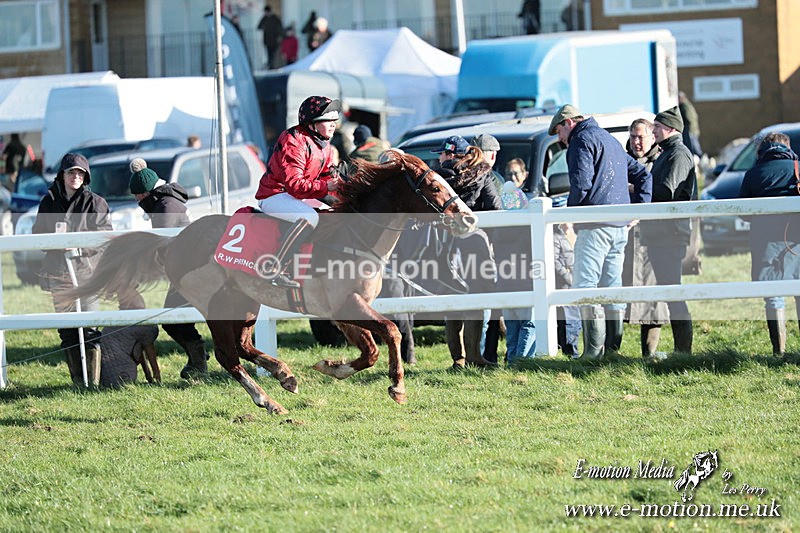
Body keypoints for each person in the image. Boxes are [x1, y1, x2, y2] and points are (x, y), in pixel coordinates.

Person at [548, 104, 651, 362]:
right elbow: (643, 176)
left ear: (569, 123)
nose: (560, 138)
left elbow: (581, 183)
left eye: (559, 130)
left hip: (595, 226)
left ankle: (593, 353)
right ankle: (612, 352)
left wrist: (568, 217)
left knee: (585, 286)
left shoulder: (580, 140)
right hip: (619, 227)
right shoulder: (610, 140)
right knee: (612, 286)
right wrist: (639, 210)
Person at [32, 153, 112, 386]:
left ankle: (93, 382)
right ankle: (78, 380)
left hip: (87, 273)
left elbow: (105, 236)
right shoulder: (48, 201)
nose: (75, 176)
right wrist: (55, 241)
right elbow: (38, 233)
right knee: (67, 330)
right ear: (62, 174)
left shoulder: (96, 202)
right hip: (59, 272)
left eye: (80, 173)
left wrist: (78, 243)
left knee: (89, 328)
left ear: (85, 177)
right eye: (71, 172)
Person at [129, 158, 211, 377]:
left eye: (138, 195)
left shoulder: (166, 206)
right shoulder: (165, 202)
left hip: (191, 272)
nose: (137, 200)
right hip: (188, 270)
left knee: (174, 321)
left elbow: (158, 245)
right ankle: (198, 359)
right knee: (175, 320)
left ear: (145, 193)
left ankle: (199, 362)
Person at [255, 95, 342, 289]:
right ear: (312, 123)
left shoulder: (324, 145)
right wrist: (327, 187)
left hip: (298, 195)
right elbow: (295, 185)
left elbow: (327, 179)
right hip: (274, 195)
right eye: (328, 120)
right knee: (309, 217)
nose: (333, 125)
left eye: (334, 121)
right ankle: (274, 269)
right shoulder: (293, 139)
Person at [434, 135, 500, 369]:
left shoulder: (438, 177)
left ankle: (458, 359)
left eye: (441, 154)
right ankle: (474, 355)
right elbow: (495, 207)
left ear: (451, 155)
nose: (440, 158)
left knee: (452, 297)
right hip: (474, 240)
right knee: (477, 297)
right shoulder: (483, 173)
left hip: (445, 242)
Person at [638, 107, 696, 359]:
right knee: (669, 293)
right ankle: (680, 350)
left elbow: (666, 192)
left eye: (657, 127)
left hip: (669, 234)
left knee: (673, 294)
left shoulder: (678, 155)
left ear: (671, 129)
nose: (654, 131)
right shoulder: (669, 153)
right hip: (663, 233)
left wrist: (638, 190)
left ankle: (683, 351)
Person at [739, 132, 800, 356]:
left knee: (774, 295)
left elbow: (743, 213)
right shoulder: (797, 168)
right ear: (787, 147)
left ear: (762, 150)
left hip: (765, 242)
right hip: (797, 240)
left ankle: (779, 351)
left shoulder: (754, 173)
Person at [623, 118, 670, 359]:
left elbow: (659, 192)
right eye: (633, 136)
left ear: (652, 137)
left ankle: (648, 353)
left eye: (641, 136)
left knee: (652, 296)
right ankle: (611, 350)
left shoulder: (661, 161)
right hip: (626, 236)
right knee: (617, 292)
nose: (636, 141)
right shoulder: (622, 159)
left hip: (652, 237)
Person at [494, 164, 535, 365]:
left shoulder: (498, 230)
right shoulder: (527, 230)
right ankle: (522, 361)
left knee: (512, 328)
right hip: (524, 284)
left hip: (504, 284)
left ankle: (511, 359)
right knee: (529, 324)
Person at [471, 133, 504, 362]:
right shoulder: (489, 177)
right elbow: (497, 209)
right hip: (488, 243)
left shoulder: (465, 173)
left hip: (472, 244)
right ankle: (486, 353)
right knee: (490, 301)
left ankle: (483, 353)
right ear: (491, 155)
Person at [554, 223, 581, 357]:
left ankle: (572, 351)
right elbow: (555, 261)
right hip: (565, 285)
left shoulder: (574, 234)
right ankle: (570, 353)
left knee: (575, 321)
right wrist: (568, 277)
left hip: (575, 283)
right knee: (568, 321)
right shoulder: (555, 236)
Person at [257, 5, 283, 69]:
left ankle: (274, 65)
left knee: (274, 54)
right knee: (269, 54)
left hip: (274, 40)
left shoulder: (275, 18)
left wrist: (279, 36)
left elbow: (280, 27)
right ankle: (271, 66)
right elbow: (259, 27)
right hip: (267, 41)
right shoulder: (264, 18)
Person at [679, 91, 703, 158]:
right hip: (693, 130)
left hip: (690, 130)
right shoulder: (687, 105)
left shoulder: (685, 106)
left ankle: (701, 160)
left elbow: (689, 119)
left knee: (694, 147)